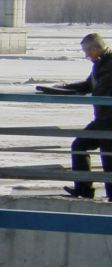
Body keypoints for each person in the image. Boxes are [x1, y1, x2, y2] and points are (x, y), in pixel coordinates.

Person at [35, 32, 112, 200]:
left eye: (87, 51)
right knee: (80, 145)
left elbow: (98, 88)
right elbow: (87, 86)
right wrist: (60, 89)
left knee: (108, 156)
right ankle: (83, 189)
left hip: (109, 120)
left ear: (96, 48)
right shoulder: (99, 64)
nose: (86, 55)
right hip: (102, 119)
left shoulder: (110, 63)